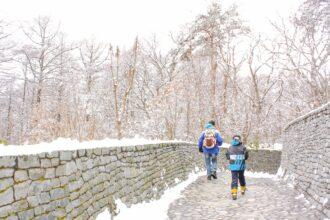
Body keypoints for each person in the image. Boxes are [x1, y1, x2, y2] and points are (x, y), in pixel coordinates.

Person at [225, 135, 249, 200]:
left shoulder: (230, 148)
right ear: (240, 140)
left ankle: (234, 193)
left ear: (233, 140)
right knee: (241, 177)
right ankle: (243, 189)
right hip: (241, 166)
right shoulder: (243, 148)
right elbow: (246, 157)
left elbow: (227, 157)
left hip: (233, 167)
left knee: (234, 179)